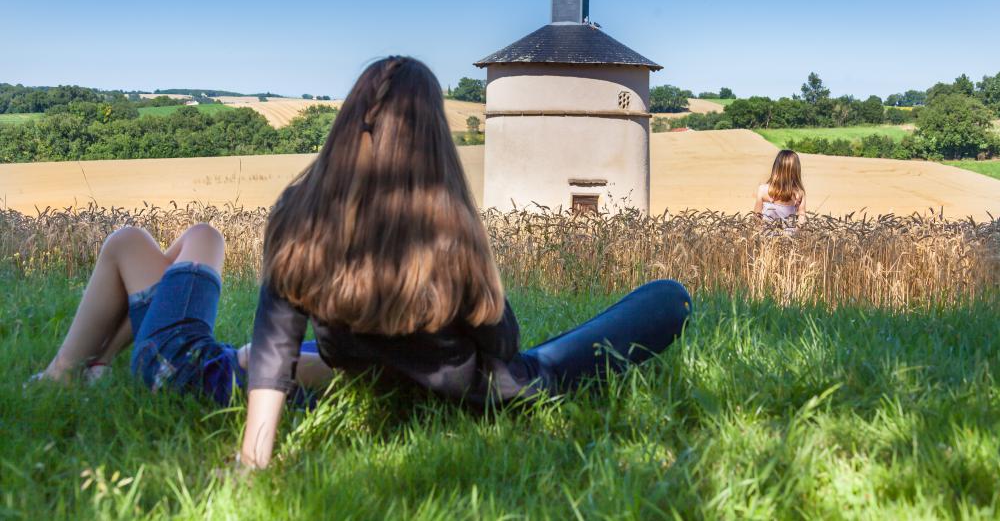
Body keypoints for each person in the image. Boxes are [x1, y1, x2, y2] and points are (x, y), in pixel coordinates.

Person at [239, 57, 692, 469]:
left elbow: (273, 346)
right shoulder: (445, 221)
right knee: (668, 298)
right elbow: (503, 342)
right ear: (431, 136)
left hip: (369, 377)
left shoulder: (299, 211)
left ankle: (336, 377)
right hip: (483, 396)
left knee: (264, 355)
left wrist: (252, 461)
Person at [31, 223, 333, 403]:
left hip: (179, 368)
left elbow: (259, 363)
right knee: (204, 235)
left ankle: (61, 374)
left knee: (126, 242)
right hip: (190, 361)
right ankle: (99, 362)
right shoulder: (353, 352)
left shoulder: (355, 365)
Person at [753, 149, 807, 225]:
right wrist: (798, 229)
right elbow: (802, 216)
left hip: (766, 231)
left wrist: (759, 229)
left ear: (776, 168)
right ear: (796, 171)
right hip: (789, 232)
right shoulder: (799, 193)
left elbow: (756, 216)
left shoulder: (762, 189)